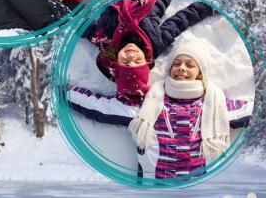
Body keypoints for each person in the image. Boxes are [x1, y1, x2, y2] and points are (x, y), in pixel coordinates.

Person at [68, 40, 252, 181]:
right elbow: (101, 107)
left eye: (190, 64)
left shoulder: (214, 105)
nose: (182, 68)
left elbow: (250, 110)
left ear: (200, 73)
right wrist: (66, 93)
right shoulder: (149, 103)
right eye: (177, 63)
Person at [83, 0, 214, 102]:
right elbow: (179, 21)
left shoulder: (103, 40)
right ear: (146, 60)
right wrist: (207, 7)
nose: (131, 56)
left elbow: (80, 25)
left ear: (115, 61)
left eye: (125, 62)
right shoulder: (155, 44)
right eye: (138, 61)